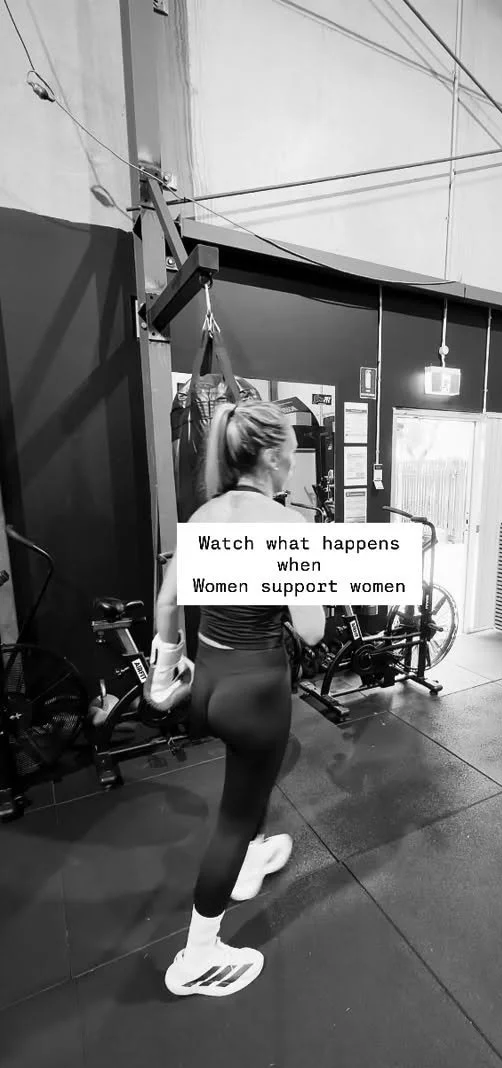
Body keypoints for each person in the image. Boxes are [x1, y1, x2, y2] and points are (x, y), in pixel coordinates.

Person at [144, 400, 325, 998]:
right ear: (271, 458)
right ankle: (197, 958)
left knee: (248, 785)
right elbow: (312, 630)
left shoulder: (204, 515)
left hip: (211, 681)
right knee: (232, 819)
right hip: (256, 691)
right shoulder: (285, 525)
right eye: (291, 453)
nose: (293, 463)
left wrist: (163, 675)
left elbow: (168, 602)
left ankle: (250, 859)